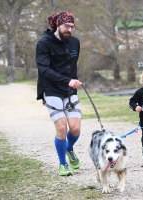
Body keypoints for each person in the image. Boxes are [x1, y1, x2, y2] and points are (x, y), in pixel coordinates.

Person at [35, 12, 83, 176]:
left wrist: (74, 81)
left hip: (70, 91)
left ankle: (69, 148)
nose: (69, 29)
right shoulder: (44, 43)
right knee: (62, 128)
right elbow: (44, 70)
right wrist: (66, 80)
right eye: (66, 26)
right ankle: (63, 164)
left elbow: (71, 67)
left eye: (72, 27)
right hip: (52, 90)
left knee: (75, 129)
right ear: (57, 25)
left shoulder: (75, 42)